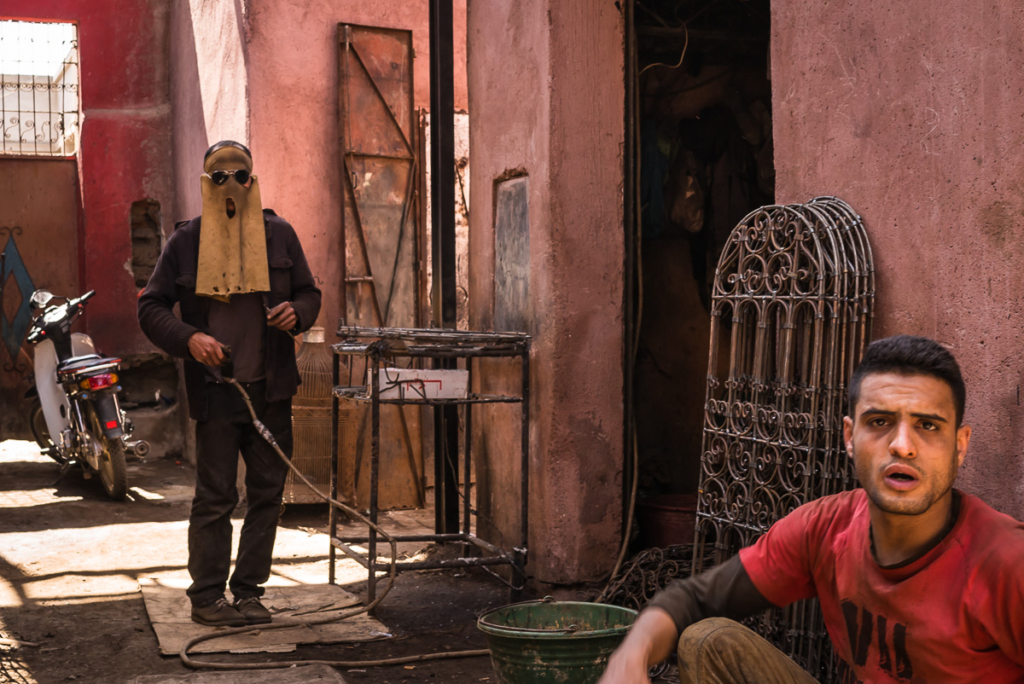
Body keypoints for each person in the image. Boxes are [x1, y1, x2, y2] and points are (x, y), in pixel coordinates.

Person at [600, 335, 1024, 683]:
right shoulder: (826, 528)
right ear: (849, 436)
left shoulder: (1005, 562)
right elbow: (694, 600)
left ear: (961, 445)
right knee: (709, 641)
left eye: (928, 425)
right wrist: (631, 656)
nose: (902, 445)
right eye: (879, 422)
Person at [138, 141, 321, 627]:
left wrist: (297, 313)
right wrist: (189, 337)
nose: (231, 185)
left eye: (241, 175)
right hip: (218, 392)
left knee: (267, 494)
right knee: (216, 496)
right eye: (219, 177)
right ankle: (206, 599)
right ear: (205, 182)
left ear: (253, 179)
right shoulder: (185, 243)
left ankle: (248, 592)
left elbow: (309, 292)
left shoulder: (279, 234)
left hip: (271, 390)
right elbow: (150, 307)